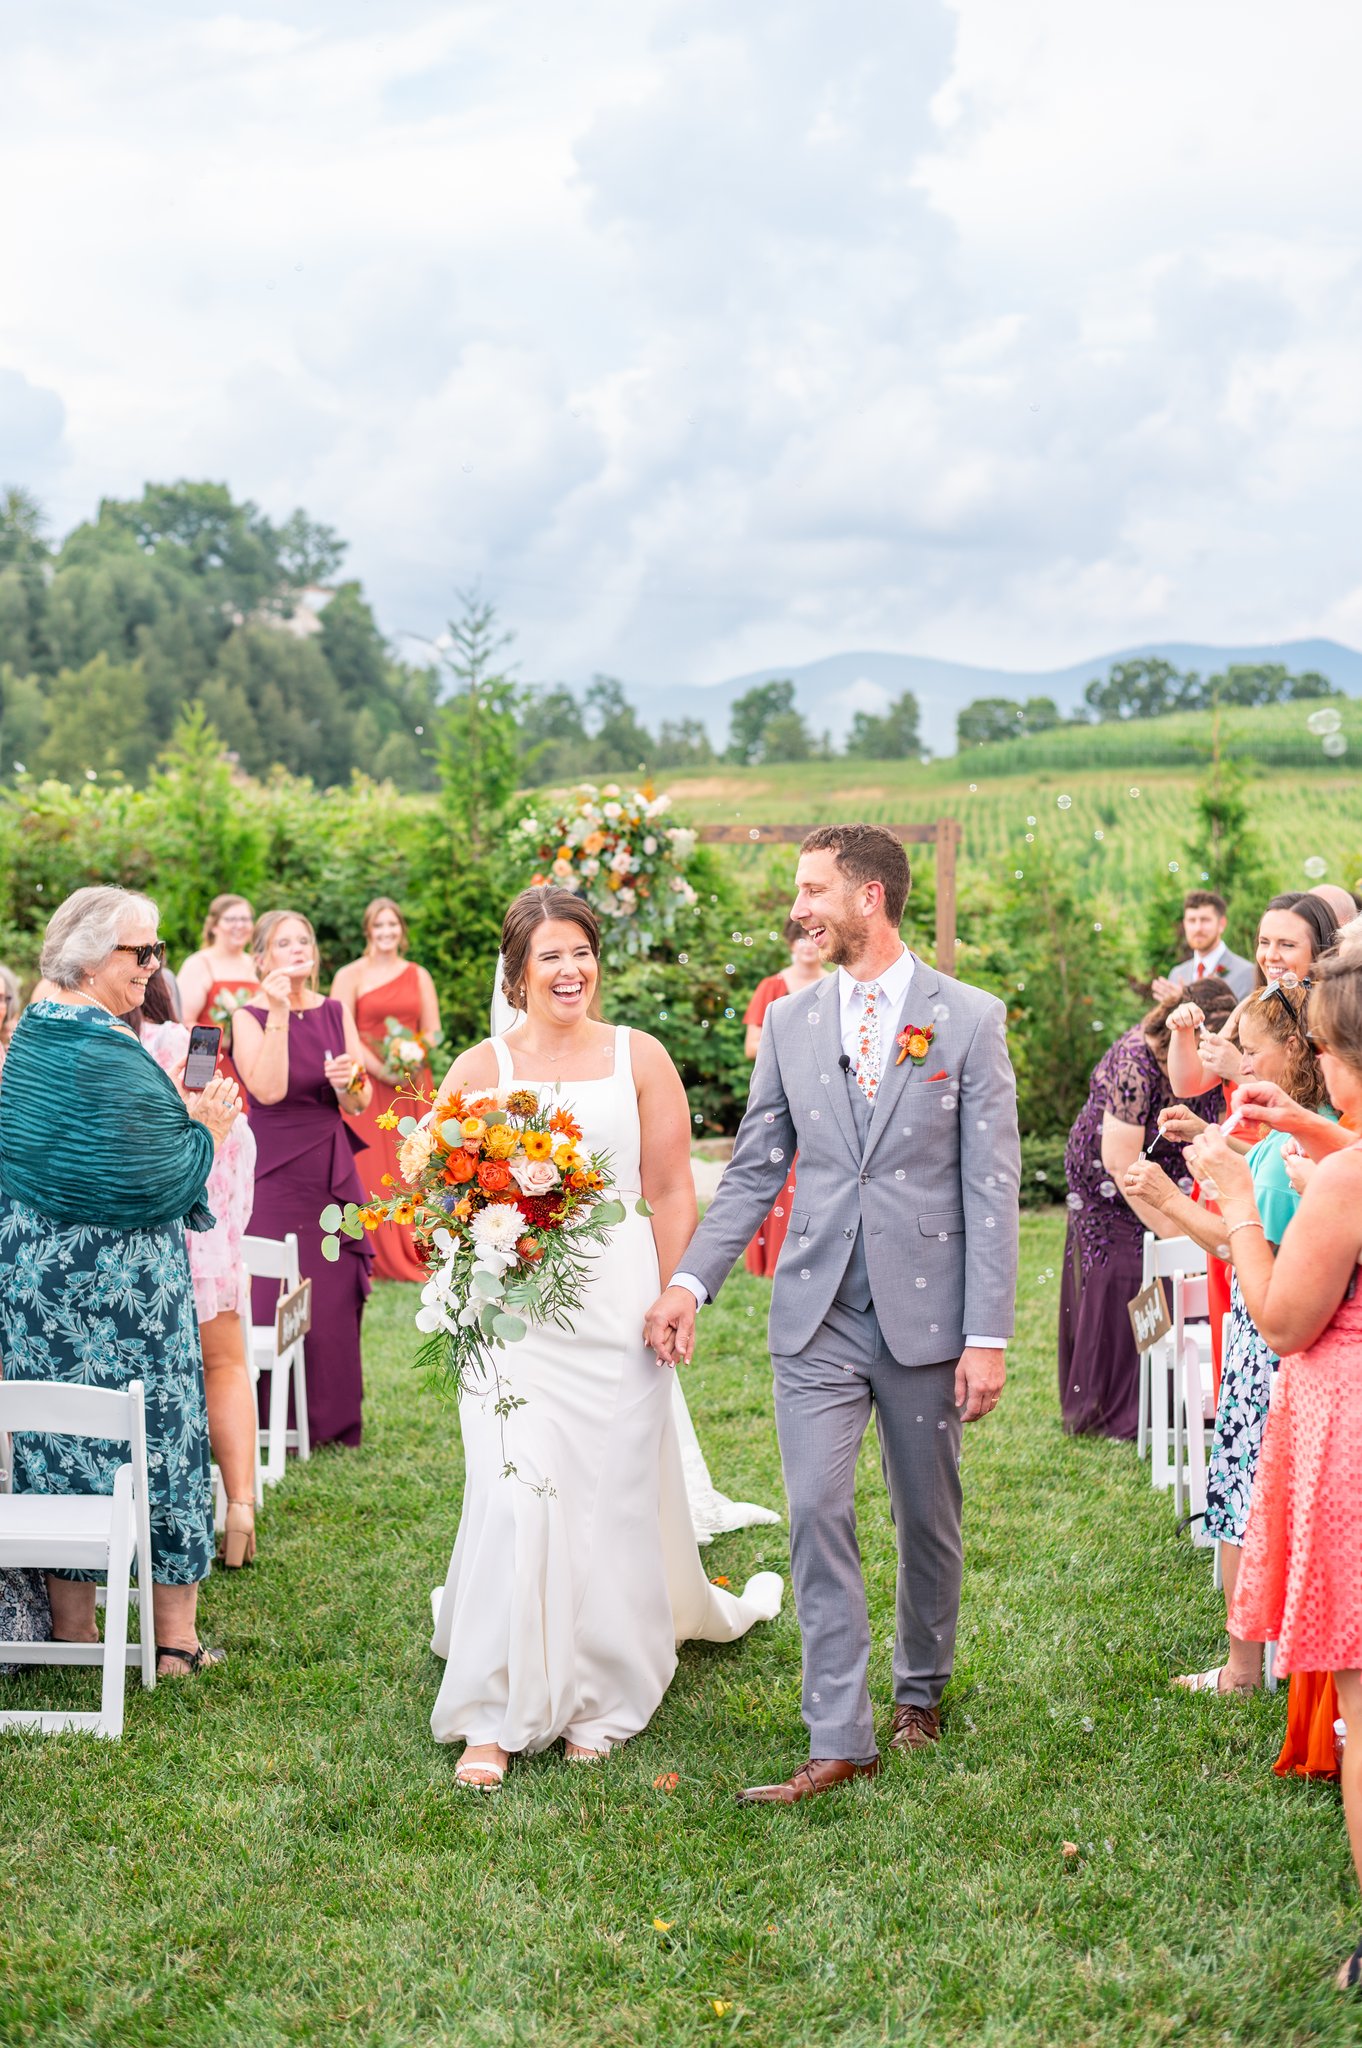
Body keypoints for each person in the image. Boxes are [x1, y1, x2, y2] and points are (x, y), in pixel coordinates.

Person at [644, 823, 1020, 1805]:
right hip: (814, 1311)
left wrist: (988, 1334)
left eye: (814, 889)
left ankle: (921, 1688)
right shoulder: (790, 1021)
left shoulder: (969, 1019)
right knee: (814, 1510)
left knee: (926, 1513)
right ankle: (839, 1733)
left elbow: (991, 1187)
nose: (799, 905)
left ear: (870, 898)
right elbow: (756, 1163)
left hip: (929, 1317)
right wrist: (690, 1280)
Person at [430, 885, 782, 1790]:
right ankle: (490, 1709)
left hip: (618, 1307)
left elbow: (670, 1189)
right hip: (514, 1321)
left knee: (608, 1500)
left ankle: (601, 1693)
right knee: (515, 1498)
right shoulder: (479, 1071)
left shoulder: (640, 1055)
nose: (570, 969)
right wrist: (484, 1236)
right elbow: (436, 1203)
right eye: (550, 955)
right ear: (518, 971)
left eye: (581, 951)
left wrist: (679, 1294)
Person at [0, 886, 240, 1676]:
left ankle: (74, 1633)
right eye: (142, 953)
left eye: (158, 951)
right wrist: (203, 1126)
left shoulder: (35, 1033)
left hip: (37, 1287)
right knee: (161, 1445)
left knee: (55, 1440)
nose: (153, 966)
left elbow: (90, 1142)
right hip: (127, 1298)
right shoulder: (104, 1046)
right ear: (92, 957)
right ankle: (174, 1644)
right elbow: (165, 1180)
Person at [1184, 958, 1362, 1994]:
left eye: (1328, 1051)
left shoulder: (1343, 1182)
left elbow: (1284, 1316)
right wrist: (1304, 1125)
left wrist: (1235, 1197)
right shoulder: (1344, 1152)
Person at [1122, 979, 1330, 1691]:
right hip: (1258, 1330)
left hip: (1266, 1335)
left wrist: (1168, 1200)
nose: (1236, 1063)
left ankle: (1246, 1669)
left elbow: (1246, 1248)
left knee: (1243, 1500)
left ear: (1296, 1052)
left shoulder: (1294, 1143)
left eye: (1248, 1050)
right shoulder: (1290, 1130)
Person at [1057, 978, 1236, 1440]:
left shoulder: (1219, 1060)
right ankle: (1113, 1407)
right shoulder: (1136, 1059)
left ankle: (1176, 1398)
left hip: (1173, 1165)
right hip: (1110, 1177)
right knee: (1127, 1271)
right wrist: (1178, 1233)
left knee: (1174, 1274)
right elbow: (1121, 1161)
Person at [232, 911, 374, 1449]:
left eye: (303, 941)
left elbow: (359, 1100)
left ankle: (333, 1423)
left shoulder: (336, 1012)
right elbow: (266, 1090)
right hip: (270, 1170)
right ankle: (270, 1421)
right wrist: (276, 1010)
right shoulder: (246, 1016)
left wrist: (347, 1085)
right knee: (269, 1291)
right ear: (262, 959)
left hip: (327, 1170)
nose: (296, 949)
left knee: (332, 1294)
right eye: (283, 943)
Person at [136, 971, 261, 1568]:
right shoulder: (189, 1046)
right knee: (226, 1366)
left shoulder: (119, 1049)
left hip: (143, 1240)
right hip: (207, 1241)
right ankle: (239, 1508)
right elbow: (240, 1145)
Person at [330, 898, 441, 1284]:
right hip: (366, 1081)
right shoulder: (350, 974)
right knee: (370, 1166)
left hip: (410, 1083)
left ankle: (416, 1244)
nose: (386, 933)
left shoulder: (418, 974)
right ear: (368, 930)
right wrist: (380, 1068)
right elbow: (340, 1029)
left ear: (401, 930)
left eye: (393, 925)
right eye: (379, 926)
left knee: (413, 1165)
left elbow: (433, 1030)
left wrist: (412, 1055)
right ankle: (370, 1247)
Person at [743, 919, 834, 1277]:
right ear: (790, 944)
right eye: (800, 938)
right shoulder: (773, 986)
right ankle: (778, 1255)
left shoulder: (838, 985)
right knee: (780, 1167)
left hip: (827, 1096)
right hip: (785, 1092)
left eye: (813, 936)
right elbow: (753, 1045)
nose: (808, 944)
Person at [177, 894, 261, 1091]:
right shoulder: (199, 964)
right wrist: (224, 1039)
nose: (239, 925)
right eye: (231, 919)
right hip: (212, 1068)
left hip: (250, 1067)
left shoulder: (257, 965)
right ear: (214, 926)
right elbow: (181, 1022)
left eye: (245, 919)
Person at [1152, 890, 1256, 1003]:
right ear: (1184, 924)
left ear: (1221, 924)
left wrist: (1185, 999)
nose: (1198, 928)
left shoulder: (1247, 973)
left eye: (1205, 920)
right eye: (1192, 920)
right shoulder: (1177, 974)